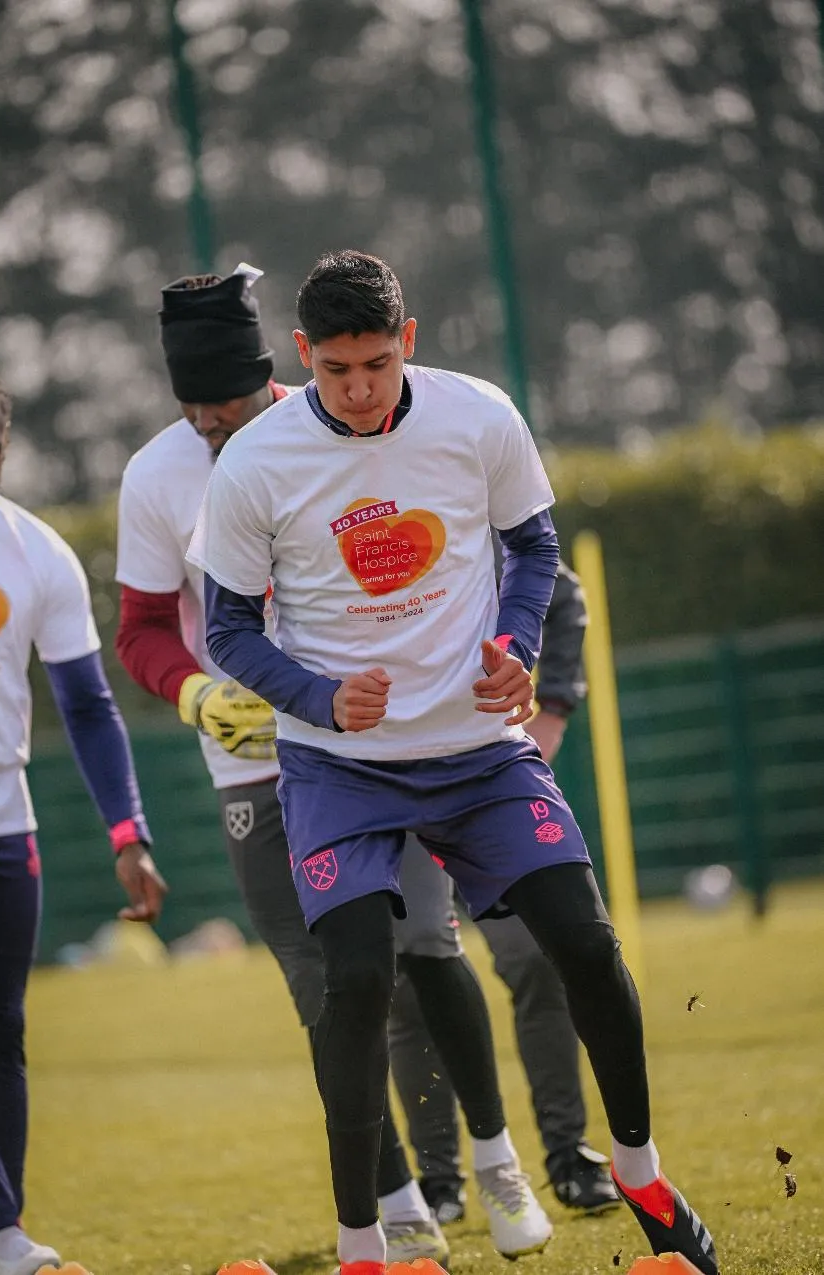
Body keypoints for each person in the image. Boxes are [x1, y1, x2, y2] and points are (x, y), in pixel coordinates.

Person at [187, 250, 719, 1275]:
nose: (358, 389)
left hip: (480, 752)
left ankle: (643, 1174)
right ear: (303, 356)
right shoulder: (256, 463)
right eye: (336, 369)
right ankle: (362, 1248)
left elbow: (533, 547)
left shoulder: (480, 418)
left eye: (377, 364)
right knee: (352, 979)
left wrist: (516, 649)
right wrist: (315, 697)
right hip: (340, 767)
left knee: (585, 944)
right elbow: (229, 630)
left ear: (409, 343)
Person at [114, 266, 549, 1267]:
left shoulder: (351, 422)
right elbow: (142, 630)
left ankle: (495, 1160)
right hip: (255, 773)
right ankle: (397, 1201)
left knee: (429, 951)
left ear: (275, 370)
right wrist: (196, 694)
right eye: (194, 412)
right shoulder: (155, 476)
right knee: (330, 984)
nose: (213, 427)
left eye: (228, 406)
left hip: (390, 750)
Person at [0, 365, 167, 1275]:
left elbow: (89, 707)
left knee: (0, 1033)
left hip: (3, 827)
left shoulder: (37, 553)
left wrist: (127, 831)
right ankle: (4, 1236)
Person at [389, 561, 620, 1222]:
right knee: (415, 969)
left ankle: (570, 1157)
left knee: (537, 960)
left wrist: (553, 707)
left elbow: (561, 587)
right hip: (388, 778)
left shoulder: (464, 481)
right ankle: (440, 1181)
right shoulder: (329, 499)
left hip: (487, 776)